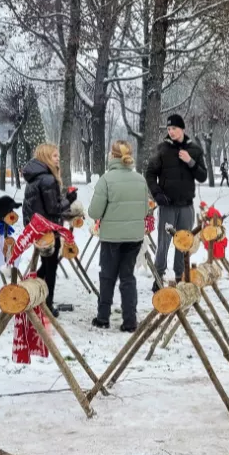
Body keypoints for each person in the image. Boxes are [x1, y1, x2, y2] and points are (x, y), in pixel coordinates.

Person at [87, 140, 148, 331]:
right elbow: (145, 210)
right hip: (134, 238)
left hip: (111, 238)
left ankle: (103, 317)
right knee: (128, 278)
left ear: (112, 156)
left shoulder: (106, 180)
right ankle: (130, 321)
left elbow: (94, 212)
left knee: (107, 277)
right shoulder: (140, 179)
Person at [145, 114, 208, 289]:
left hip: (186, 206)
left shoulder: (194, 150)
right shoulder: (162, 150)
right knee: (163, 243)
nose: (171, 132)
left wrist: (190, 161)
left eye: (175, 128)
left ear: (182, 129)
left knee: (183, 242)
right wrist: (157, 194)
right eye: (169, 129)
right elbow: (149, 173)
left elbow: (202, 176)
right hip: (167, 206)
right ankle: (158, 277)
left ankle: (180, 276)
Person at [22, 143, 77, 315]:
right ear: (45, 157)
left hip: (37, 227)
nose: (57, 158)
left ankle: (30, 292)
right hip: (48, 229)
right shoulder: (47, 179)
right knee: (50, 267)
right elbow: (53, 208)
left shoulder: (36, 177)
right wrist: (69, 198)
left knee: (47, 265)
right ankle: (46, 303)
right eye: (54, 156)